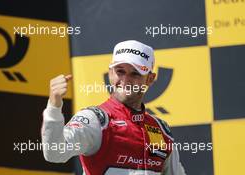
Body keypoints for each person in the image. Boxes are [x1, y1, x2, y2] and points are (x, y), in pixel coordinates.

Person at [41, 40, 186, 175]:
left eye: (135, 73)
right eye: (120, 71)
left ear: (150, 79)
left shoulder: (160, 130)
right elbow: (54, 153)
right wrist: (54, 106)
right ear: (110, 74)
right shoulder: (95, 120)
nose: (126, 80)